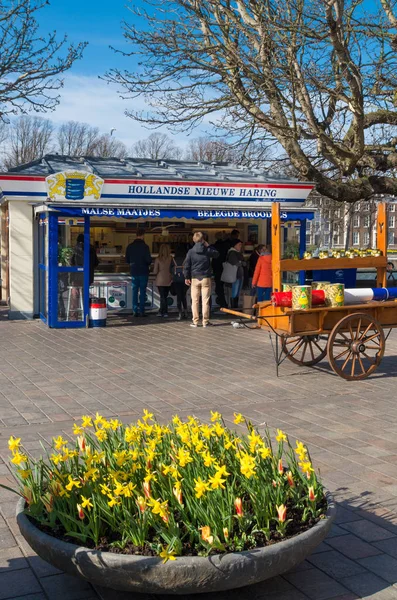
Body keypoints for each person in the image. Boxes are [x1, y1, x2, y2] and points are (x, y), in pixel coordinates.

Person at [184, 231, 219, 328]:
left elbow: (187, 265)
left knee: (194, 300)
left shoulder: (191, 251)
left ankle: (195, 321)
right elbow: (216, 254)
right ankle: (205, 321)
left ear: (194, 240)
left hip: (195, 277)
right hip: (205, 277)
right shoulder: (207, 250)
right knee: (205, 300)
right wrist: (208, 246)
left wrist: (186, 277)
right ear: (203, 240)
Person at [125, 230, 152, 317]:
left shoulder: (130, 246)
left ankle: (134, 310)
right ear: (143, 236)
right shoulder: (145, 247)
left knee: (134, 291)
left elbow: (127, 260)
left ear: (136, 235)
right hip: (143, 271)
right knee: (143, 291)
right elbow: (149, 260)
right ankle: (142, 311)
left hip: (134, 271)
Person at [223, 239, 245, 309]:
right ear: (235, 245)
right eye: (239, 245)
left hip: (237, 275)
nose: (240, 246)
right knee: (235, 293)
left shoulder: (235, 252)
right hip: (235, 275)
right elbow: (237, 263)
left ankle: (235, 308)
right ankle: (234, 308)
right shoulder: (232, 253)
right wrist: (242, 263)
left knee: (236, 293)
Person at [153, 244, 173, 317]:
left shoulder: (158, 259)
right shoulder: (171, 258)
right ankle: (163, 311)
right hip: (168, 279)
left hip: (160, 279)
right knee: (165, 296)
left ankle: (163, 311)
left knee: (162, 296)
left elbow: (155, 271)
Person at [171, 244, 189, 320]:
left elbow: (170, 270)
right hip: (185, 280)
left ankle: (180, 313)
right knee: (183, 296)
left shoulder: (173, 259)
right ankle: (186, 311)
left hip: (176, 280)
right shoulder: (186, 259)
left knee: (179, 296)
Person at [212, 232, 228, 308]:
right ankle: (224, 304)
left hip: (216, 269)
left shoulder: (214, 246)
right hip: (224, 268)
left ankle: (223, 305)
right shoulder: (225, 246)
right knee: (221, 287)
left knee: (218, 288)